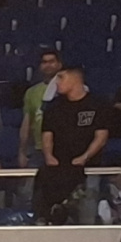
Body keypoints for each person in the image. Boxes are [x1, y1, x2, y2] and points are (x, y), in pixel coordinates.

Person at [36, 66, 108, 224]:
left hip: (89, 168)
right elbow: (47, 135)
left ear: (75, 79)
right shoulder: (53, 108)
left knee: (87, 212)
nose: (57, 82)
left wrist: (85, 157)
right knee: (54, 212)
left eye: (61, 77)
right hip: (58, 169)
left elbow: (101, 137)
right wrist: (49, 156)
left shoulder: (97, 104)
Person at [19, 49, 65, 168]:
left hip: (64, 147)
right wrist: (22, 151)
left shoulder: (68, 89)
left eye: (52, 61)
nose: (48, 65)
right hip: (38, 149)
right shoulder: (31, 92)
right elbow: (27, 123)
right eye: (44, 62)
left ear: (59, 64)